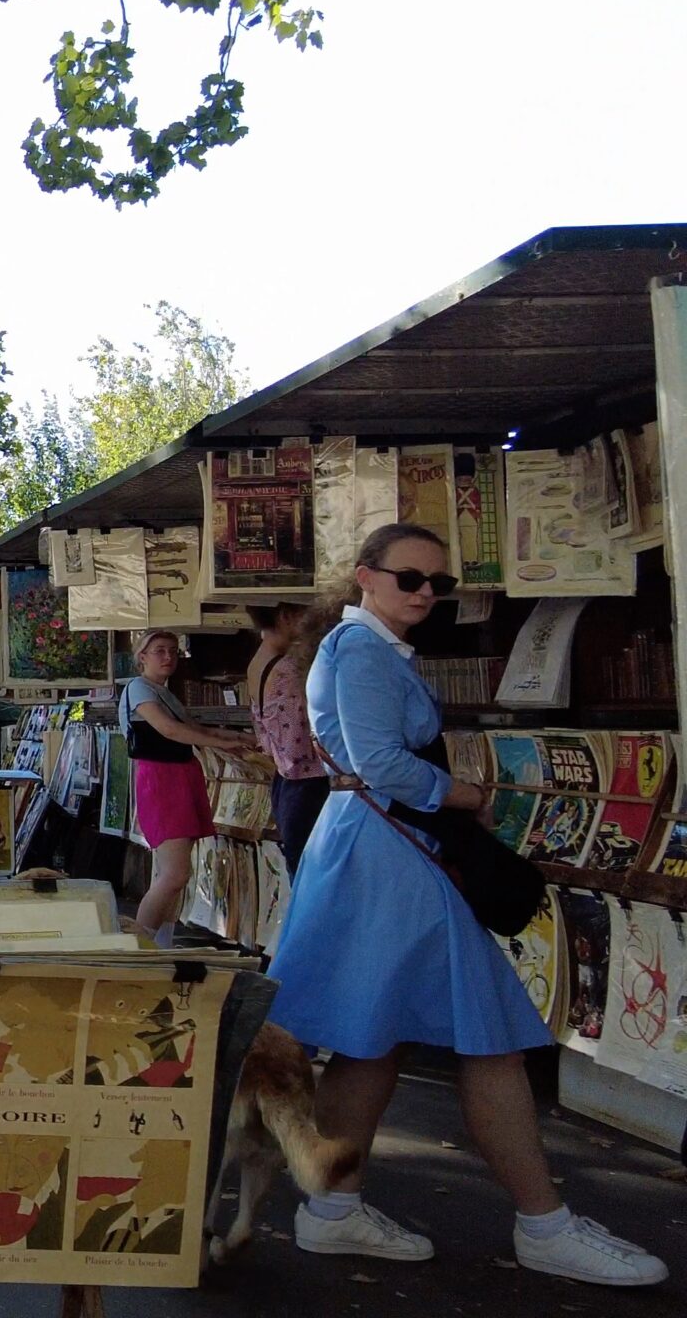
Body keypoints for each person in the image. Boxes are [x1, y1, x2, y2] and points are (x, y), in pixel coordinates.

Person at [269, 523, 666, 1286]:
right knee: (487, 1041)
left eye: (437, 583)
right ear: (365, 577)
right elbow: (381, 761)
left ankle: (332, 1211)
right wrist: (467, 794)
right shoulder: (360, 652)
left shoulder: (363, 650)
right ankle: (543, 1224)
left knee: (371, 1038)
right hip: (394, 854)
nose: (424, 593)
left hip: (372, 851)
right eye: (410, 578)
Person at [123, 631, 260, 944]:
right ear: (142, 656)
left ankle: (160, 942)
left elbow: (192, 728)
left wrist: (236, 739)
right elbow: (170, 730)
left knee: (170, 875)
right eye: (159, 651)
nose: (168, 657)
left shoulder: (162, 691)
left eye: (173, 651)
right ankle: (138, 945)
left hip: (178, 776)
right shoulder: (139, 688)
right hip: (162, 779)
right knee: (174, 874)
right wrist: (222, 742)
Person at [246, 602, 330, 875]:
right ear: (286, 617)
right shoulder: (288, 669)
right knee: (316, 874)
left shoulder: (258, 662)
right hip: (308, 783)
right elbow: (297, 739)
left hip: (284, 783)